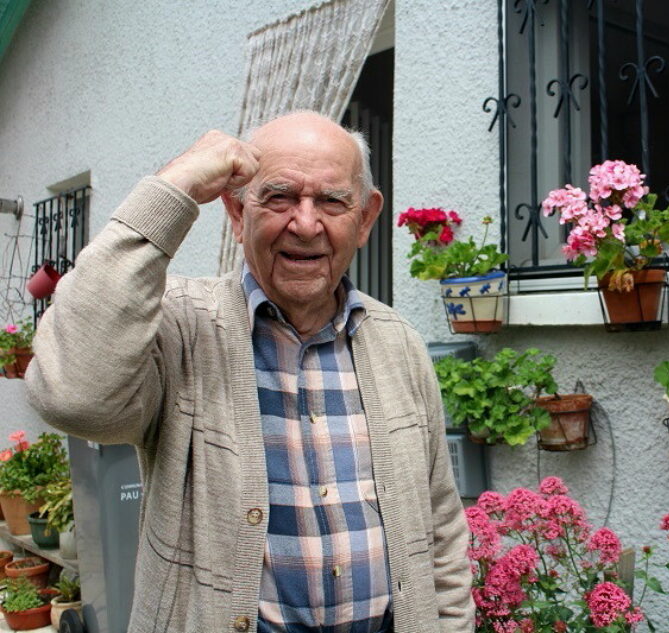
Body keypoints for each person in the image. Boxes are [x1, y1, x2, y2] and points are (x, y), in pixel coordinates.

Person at [25, 112, 475, 633]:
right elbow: (73, 396)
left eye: (331, 201)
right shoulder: (180, 327)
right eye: (279, 197)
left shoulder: (398, 342)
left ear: (365, 218)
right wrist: (174, 187)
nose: (306, 225)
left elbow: (440, 525)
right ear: (237, 213)